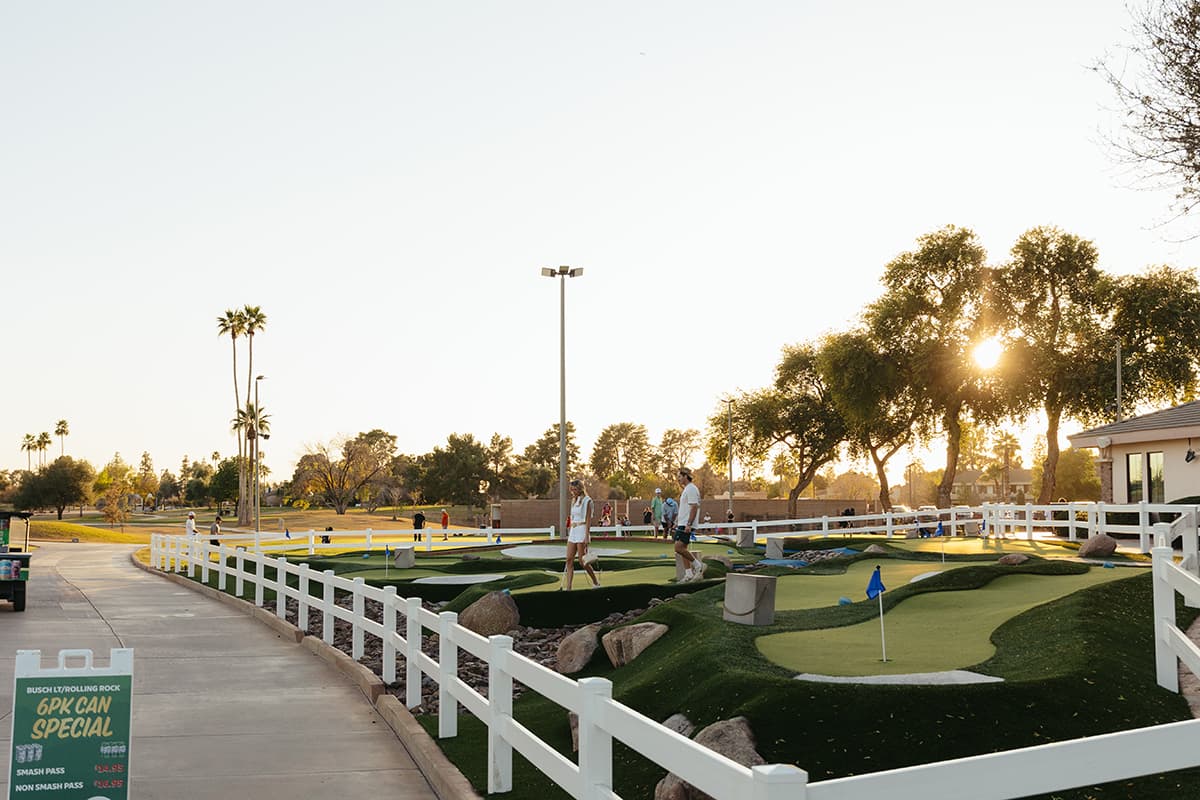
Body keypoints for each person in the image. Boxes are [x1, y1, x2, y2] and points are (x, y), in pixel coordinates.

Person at [563, 479, 600, 590]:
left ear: (580, 489)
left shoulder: (587, 501)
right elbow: (572, 516)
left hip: (582, 530)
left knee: (582, 561)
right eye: (571, 490)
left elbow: (588, 519)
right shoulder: (573, 500)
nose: (573, 492)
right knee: (569, 559)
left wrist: (587, 535)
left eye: (575, 489)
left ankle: (595, 582)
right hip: (573, 531)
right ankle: (568, 588)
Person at [673, 468, 705, 581]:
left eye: (680, 476)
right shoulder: (687, 489)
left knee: (678, 548)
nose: (678, 479)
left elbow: (694, 507)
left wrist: (689, 524)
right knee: (683, 549)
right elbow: (685, 508)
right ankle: (688, 574)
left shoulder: (691, 489)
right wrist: (677, 522)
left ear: (686, 476)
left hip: (686, 523)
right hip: (682, 523)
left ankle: (698, 565)